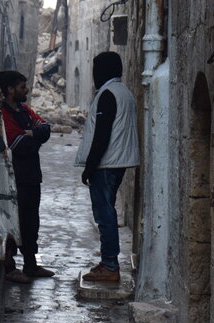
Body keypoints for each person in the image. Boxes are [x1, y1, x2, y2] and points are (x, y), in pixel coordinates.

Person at [75, 52, 139, 282]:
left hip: (107, 163)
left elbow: (102, 134)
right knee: (107, 211)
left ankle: (110, 265)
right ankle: (108, 263)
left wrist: (90, 166)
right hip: (116, 161)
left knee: (104, 214)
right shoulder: (123, 93)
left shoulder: (108, 94)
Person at [0, 70, 55, 283]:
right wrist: (31, 134)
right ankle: (10, 267)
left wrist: (31, 133)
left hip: (31, 176)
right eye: (22, 87)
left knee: (31, 221)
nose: (26, 90)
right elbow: (18, 144)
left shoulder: (24, 110)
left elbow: (46, 129)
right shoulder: (2, 114)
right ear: (10, 89)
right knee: (13, 221)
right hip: (14, 178)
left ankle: (31, 265)